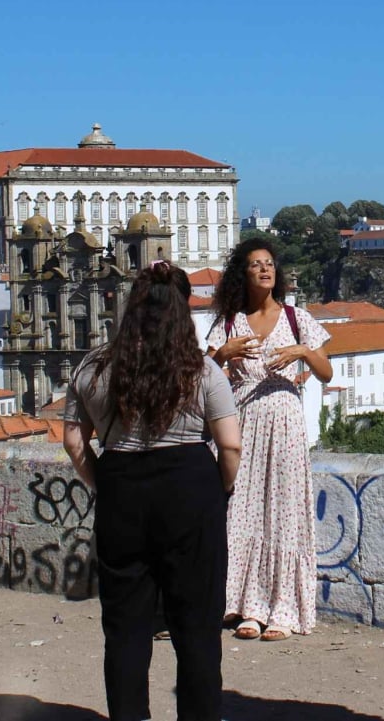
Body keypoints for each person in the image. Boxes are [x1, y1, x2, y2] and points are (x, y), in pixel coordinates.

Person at [64, 261, 241, 721]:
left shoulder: (94, 366)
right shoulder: (202, 371)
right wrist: (219, 489)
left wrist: (103, 482)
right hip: (189, 486)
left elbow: (73, 440)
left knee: (125, 625)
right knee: (197, 625)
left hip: (121, 485)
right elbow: (230, 445)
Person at [205, 237, 331, 641]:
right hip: (243, 420)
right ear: (242, 273)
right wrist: (223, 353)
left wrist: (302, 353)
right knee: (241, 510)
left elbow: (326, 371)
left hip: (285, 424)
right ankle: (245, 605)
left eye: (270, 264)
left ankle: (283, 608)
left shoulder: (297, 318)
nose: (265, 269)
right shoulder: (228, 321)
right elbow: (203, 375)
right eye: (257, 264)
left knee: (284, 511)